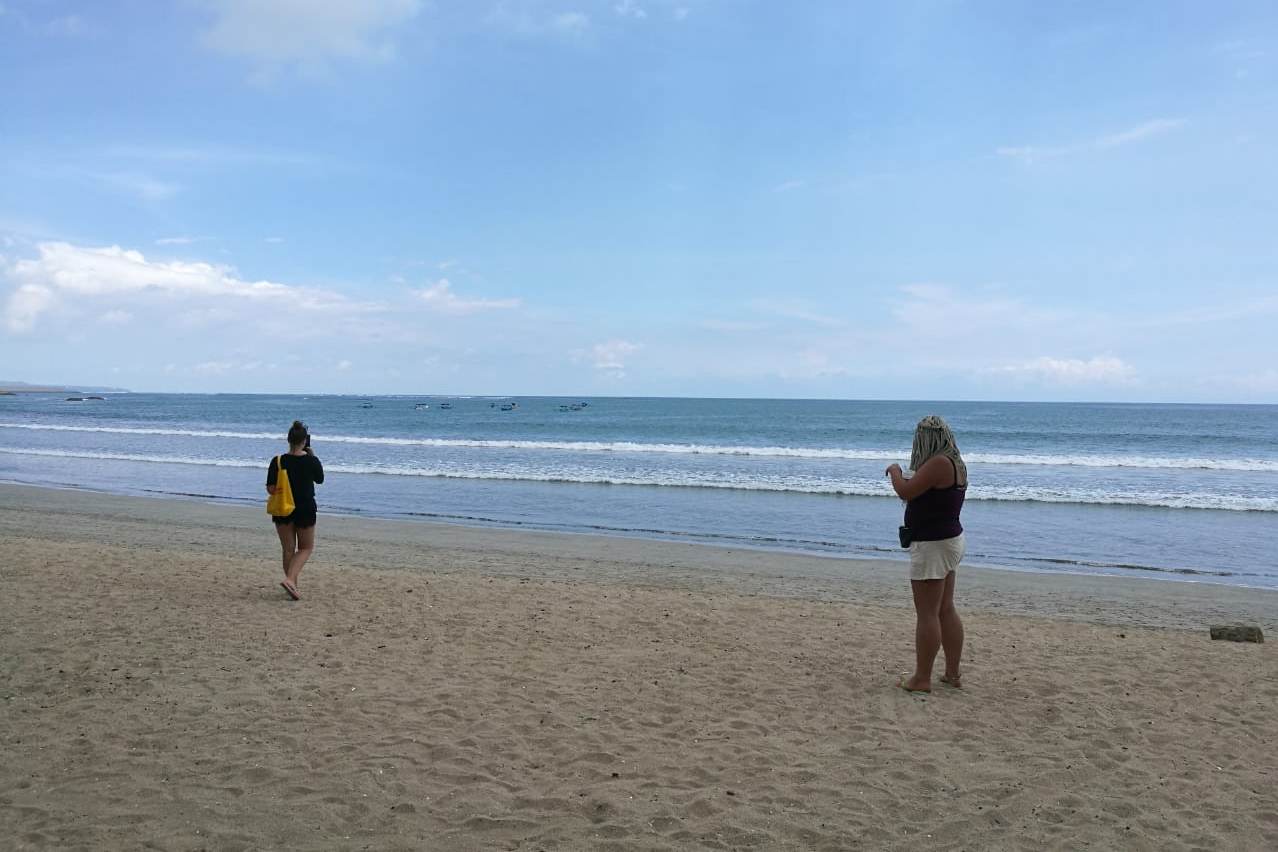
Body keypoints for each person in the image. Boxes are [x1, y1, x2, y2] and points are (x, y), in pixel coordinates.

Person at [885, 415, 967, 693]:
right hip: (949, 540)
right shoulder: (954, 462)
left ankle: (922, 678)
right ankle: (952, 673)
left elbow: (905, 491)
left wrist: (895, 470)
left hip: (933, 545)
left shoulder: (938, 463)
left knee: (928, 613)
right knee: (945, 609)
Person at [266, 420, 324, 600]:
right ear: (305, 441)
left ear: (288, 440)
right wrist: (313, 455)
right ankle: (291, 580)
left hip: (283, 508)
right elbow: (320, 480)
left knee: (288, 549)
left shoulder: (278, 461)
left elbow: (270, 488)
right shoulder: (311, 460)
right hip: (305, 508)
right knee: (306, 548)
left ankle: (292, 585)